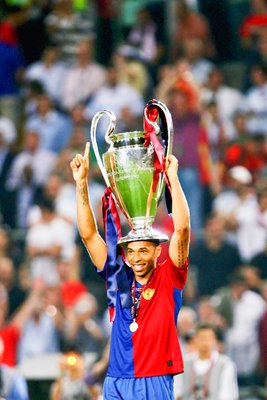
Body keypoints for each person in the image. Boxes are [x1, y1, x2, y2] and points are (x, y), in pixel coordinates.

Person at [70, 142, 190, 400]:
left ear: (157, 251)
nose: (136, 258)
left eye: (144, 251)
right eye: (131, 251)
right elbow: (89, 236)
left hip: (153, 377)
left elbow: (182, 230)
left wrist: (173, 179)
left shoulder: (169, 276)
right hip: (115, 380)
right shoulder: (118, 276)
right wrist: (81, 184)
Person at [174, 323, 239, 400]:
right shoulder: (183, 363)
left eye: (209, 338)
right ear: (195, 339)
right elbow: (176, 392)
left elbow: (227, 395)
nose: (206, 342)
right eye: (202, 338)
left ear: (214, 339)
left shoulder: (225, 364)